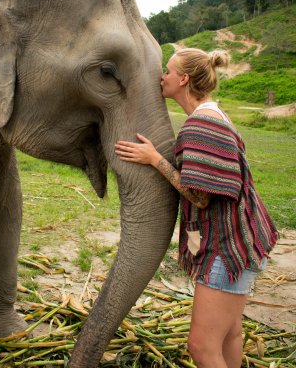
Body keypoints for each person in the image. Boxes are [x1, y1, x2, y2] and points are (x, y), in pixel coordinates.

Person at [115, 48, 278, 368]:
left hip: (227, 249)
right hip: (243, 240)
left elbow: (201, 198)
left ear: (183, 79)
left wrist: (155, 160)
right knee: (229, 335)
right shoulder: (212, 114)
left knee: (201, 346)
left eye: (167, 70)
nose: (161, 76)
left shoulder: (201, 125)